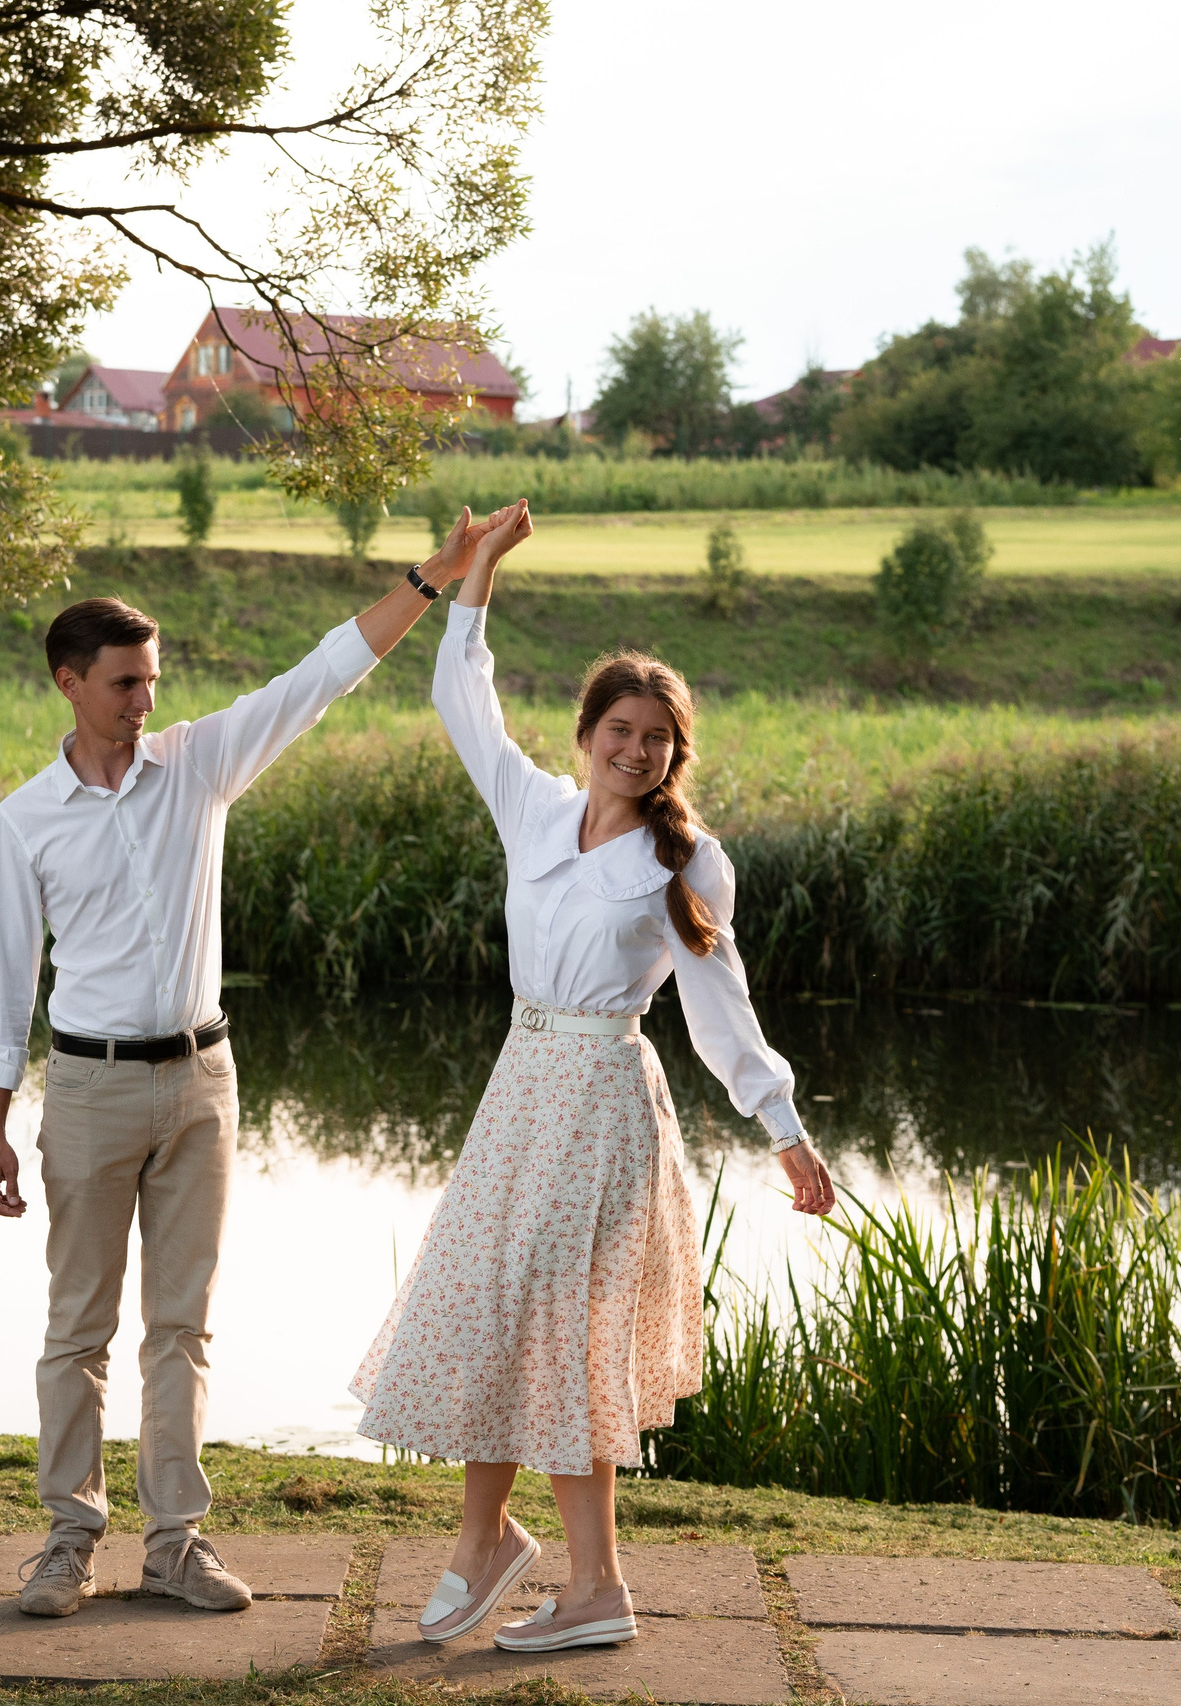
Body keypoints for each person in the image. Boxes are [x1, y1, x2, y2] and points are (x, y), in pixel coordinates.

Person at [0, 522, 488, 1619]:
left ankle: (174, 1542)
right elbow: (3, 989)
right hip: (88, 1088)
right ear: (68, 683)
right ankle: (69, 1538)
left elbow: (323, 672)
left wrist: (432, 577)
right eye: (121, 684)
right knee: (78, 1328)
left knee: (184, 1325)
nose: (142, 701)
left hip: (202, 1082)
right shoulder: (22, 823)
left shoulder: (199, 760)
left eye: (151, 680)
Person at [351, 499, 837, 1653]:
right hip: (521, 1084)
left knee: (562, 1327)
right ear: (585, 732)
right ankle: (490, 1543)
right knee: (492, 1306)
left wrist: (784, 1128)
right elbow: (457, 695)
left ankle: (593, 1584)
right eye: (619, 727)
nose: (635, 748)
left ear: (673, 752)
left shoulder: (684, 859)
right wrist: (479, 570)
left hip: (606, 1102)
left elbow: (724, 1010)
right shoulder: (532, 809)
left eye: (655, 736)